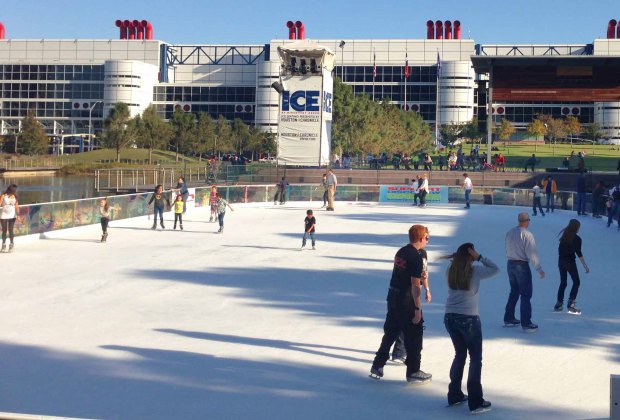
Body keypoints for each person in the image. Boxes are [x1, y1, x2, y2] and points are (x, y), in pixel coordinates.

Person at [441, 243, 499, 414]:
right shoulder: (475, 271)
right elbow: (495, 269)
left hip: (450, 317)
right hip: (468, 319)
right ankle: (475, 401)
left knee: (459, 355)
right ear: (471, 255)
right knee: (475, 358)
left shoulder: (450, 271)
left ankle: (455, 394)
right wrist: (479, 256)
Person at [370, 225, 432, 384]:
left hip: (393, 297)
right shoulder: (415, 257)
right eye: (426, 237)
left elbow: (418, 275)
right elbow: (414, 285)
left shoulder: (402, 252)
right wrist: (418, 309)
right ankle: (413, 370)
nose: (428, 240)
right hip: (406, 300)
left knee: (391, 331)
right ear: (420, 238)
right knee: (415, 335)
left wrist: (427, 288)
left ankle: (378, 365)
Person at [503, 212, 545, 332]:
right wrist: (539, 269)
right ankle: (526, 322)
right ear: (527, 221)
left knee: (514, 292)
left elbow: (506, 247)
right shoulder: (527, 234)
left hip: (510, 264)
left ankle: (509, 318)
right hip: (521, 266)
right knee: (526, 295)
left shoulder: (510, 232)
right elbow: (532, 253)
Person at [554, 219, 589, 315]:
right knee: (576, 282)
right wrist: (585, 266)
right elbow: (579, 253)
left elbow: (560, 250)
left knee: (563, 282)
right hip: (569, 262)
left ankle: (559, 303)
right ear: (576, 228)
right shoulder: (577, 239)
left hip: (561, 261)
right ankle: (571, 304)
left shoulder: (564, 236)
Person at [0, 184, 19, 253]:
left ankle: (11, 244)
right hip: (3, 215)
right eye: (14, 190)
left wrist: (18, 213)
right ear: (11, 190)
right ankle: (3, 244)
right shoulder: (3, 196)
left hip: (12, 215)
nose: (15, 191)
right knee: (4, 230)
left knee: (11, 230)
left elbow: (17, 206)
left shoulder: (15, 197)